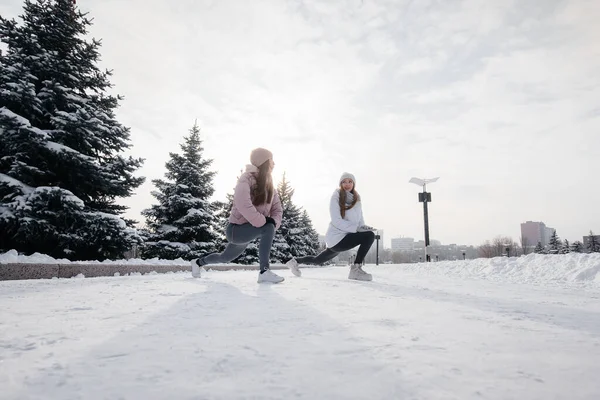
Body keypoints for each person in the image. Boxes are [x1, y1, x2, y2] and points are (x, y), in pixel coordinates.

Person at [191, 147, 284, 283]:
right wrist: (264, 222)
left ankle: (198, 262)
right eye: (271, 160)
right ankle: (264, 271)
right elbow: (242, 203)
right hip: (235, 230)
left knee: (224, 257)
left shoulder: (270, 185)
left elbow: (277, 209)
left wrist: (273, 222)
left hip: (250, 230)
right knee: (268, 227)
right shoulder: (246, 178)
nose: (274, 164)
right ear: (264, 161)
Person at [286, 172, 376, 281]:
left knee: (317, 260)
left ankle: (294, 261)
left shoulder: (357, 199)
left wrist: (364, 227)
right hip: (337, 238)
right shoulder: (336, 196)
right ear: (340, 184)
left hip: (347, 236)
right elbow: (336, 221)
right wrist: (357, 229)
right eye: (344, 182)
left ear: (354, 184)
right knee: (369, 236)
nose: (347, 184)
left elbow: (360, 220)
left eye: (350, 181)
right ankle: (355, 270)